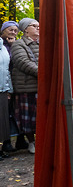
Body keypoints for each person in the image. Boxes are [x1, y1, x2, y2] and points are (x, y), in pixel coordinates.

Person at [11, 18, 41, 154]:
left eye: (38, 26)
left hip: (42, 86)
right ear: (25, 29)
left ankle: (41, 140)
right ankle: (31, 142)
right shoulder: (18, 44)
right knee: (28, 117)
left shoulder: (43, 44)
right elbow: (23, 62)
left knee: (41, 116)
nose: (38, 28)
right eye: (34, 26)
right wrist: (44, 73)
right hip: (26, 87)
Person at [1, 21, 19, 153]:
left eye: (15, 30)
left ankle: (13, 141)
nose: (13, 32)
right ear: (3, 31)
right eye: (10, 30)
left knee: (12, 113)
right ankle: (5, 143)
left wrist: (13, 46)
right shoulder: (1, 45)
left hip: (13, 83)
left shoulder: (16, 45)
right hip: (4, 84)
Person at [0, 27, 12, 158]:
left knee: (3, 122)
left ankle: (1, 148)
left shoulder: (3, 47)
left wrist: (9, 89)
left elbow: (6, 69)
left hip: (3, 89)